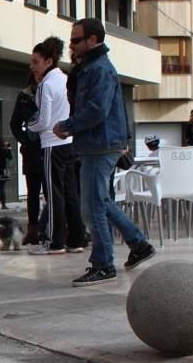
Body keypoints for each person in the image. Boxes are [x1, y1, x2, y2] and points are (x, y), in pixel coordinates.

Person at [53, 18, 155, 286]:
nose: (72, 44)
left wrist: (67, 125)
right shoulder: (88, 68)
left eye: (76, 40)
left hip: (99, 145)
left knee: (92, 207)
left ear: (93, 40)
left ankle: (102, 265)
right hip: (96, 143)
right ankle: (139, 244)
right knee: (102, 201)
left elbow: (98, 109)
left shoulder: (99, 69)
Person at [27, 35, 86, 256]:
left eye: (35, 61)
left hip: (51, 144)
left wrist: (29, 127)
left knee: (53, 194)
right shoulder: (65, 79)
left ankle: (55, 241)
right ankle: (76, 239)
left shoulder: (45, 85)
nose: (32, 66)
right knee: (71, 193)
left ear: (48, 61)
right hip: (69, 142)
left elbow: (43, 120)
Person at [9, 72, 44, 244]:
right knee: (32, 192)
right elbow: (14, 123)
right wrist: (25, 140)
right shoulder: (24, 96)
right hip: (32, 150)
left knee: (54, 192)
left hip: (51, 147)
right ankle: (33, 229)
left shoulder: (53, 90)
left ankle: (51, 227)